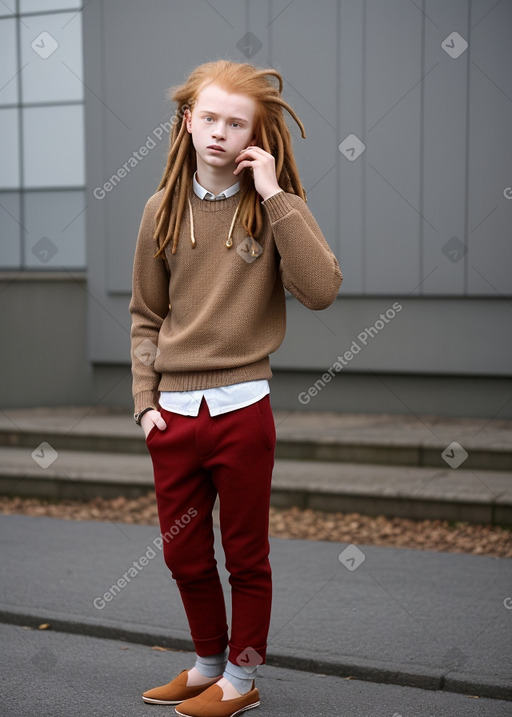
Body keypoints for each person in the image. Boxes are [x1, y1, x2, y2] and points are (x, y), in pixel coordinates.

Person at [129, 59, 342, 717]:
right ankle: (208, 665)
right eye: (210, 117)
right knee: (182, 553)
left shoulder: (274, 209)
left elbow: (322, 290)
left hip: (242, 412)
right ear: (189, 121)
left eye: (236, 122)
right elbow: (146, 315)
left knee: (246, 555)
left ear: (256, 133)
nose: (220, 131)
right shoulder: (160, 211)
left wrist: (276, 193)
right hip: (173, 418)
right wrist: (144, 405)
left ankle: (243, 681)